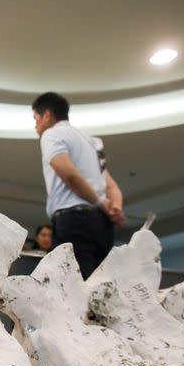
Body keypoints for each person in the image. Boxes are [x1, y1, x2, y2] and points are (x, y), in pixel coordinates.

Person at [32, 92, 125, 279]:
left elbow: (68, 173)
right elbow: (112, 186)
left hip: (74, 222)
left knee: (74, 288)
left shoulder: (51, 134)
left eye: (36, 119)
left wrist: (100, 202)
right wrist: (115, 207)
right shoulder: (92, 142)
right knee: (100, 287)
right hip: (102, 225)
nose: (35, 126)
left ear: (47, 115)